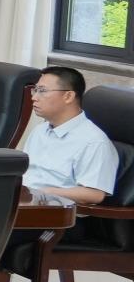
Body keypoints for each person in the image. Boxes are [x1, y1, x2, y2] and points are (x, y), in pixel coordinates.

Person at [19, 66, 116, 205]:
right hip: (23, 202)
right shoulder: (39, 130)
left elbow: (94, 194)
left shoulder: (94, 141)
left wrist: (44, 193)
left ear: (68, 96)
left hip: (53, 210)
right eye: (35, 90)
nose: (34, 98)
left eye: (42, 91)